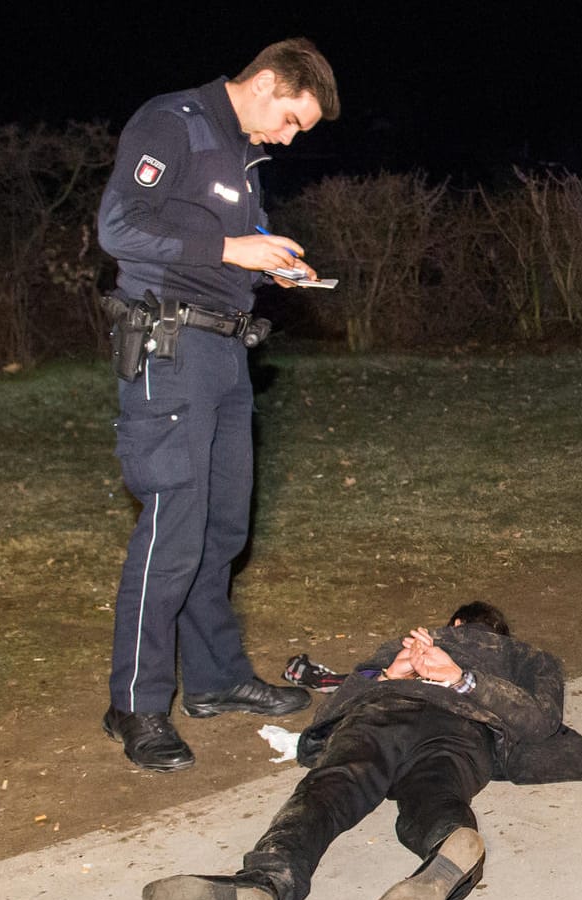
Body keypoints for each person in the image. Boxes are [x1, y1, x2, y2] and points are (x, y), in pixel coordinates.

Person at [97, 39, 341, 772]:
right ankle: (134, 706)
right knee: (174, 524)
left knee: (222, 524)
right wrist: (235, 249)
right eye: (292, 119)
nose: (290, 137)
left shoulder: (238, 151)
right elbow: (119, 226)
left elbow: (222, 244)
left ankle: (214, 679)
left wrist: (271, 262)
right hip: (169, 348)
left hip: (228, 352)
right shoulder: (173, 123)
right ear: (265, 83)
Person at [141, 602, 582, 900]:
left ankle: (267, 880)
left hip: (384, 718)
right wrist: (429, 674)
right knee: (434, 794)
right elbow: (540, 721)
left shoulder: (426, 646)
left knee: (332, 787)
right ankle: (449, 847)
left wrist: (398, 674)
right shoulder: (529, 659)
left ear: (453, 623)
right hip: (463, 735)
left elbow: (329, 714)